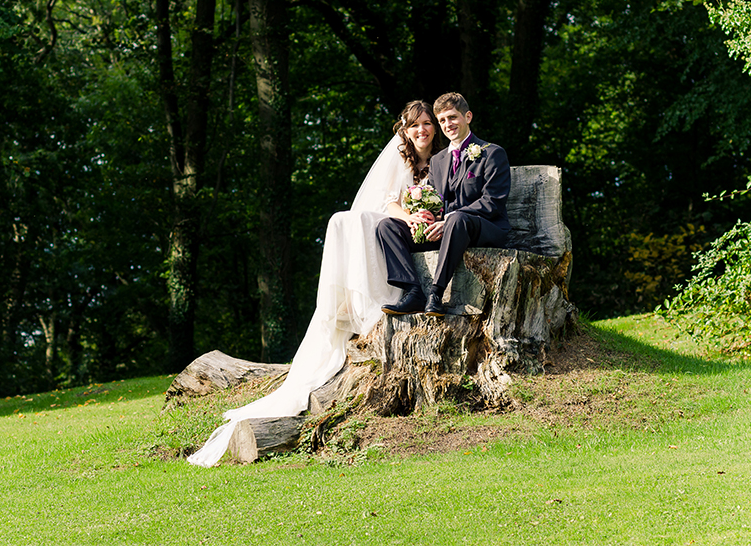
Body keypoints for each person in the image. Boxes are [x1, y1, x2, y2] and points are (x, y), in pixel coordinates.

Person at [187, 100, 446, 467]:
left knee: (354, 222)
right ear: (404, 130)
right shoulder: (401, 160)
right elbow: (390, 202)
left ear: (435, 127)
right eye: (414, 125)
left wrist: (427, 215)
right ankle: (355, 303)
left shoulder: (442, 159)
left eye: (427, 124)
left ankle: (381, 296)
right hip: (404, 223)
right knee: (344, 220)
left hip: (431, 230)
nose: (422, 130)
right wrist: (410, 214)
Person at [376, 92, 511, 317]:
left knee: (457, 218)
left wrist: (448, 218)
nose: (448, 124)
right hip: (449, 230)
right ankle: (412, 291)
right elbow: (439, 203)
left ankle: (436, 293)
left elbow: (492, 203)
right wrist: (430, 218)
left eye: (453, 117)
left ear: (467, 117)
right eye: (442, 120)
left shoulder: (492, 153)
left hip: (486, 228)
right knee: (387, 226)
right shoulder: (438, 161)